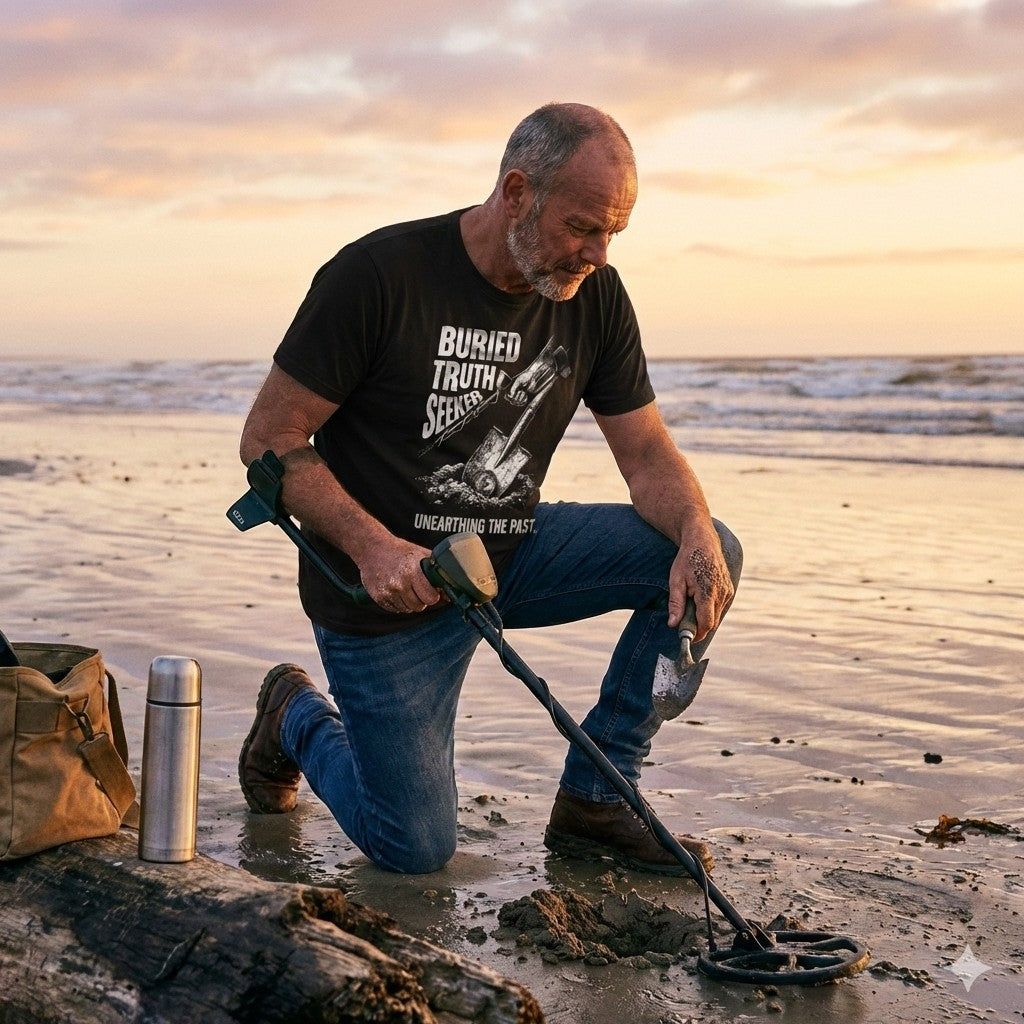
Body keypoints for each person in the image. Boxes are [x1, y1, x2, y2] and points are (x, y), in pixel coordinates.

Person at [237, 102, 742, 877]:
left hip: (508, 554)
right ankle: (294, 715)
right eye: (581, 227)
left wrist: (698, 533)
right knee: (414, 849)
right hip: (385, 595)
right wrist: (375, 547)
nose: (598, 254)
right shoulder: (377, 277)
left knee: (704, 549)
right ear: (516, 192)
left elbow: (643, 452)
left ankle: (597, 802)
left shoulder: (594, 297)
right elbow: (270, 440)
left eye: (614, 233)